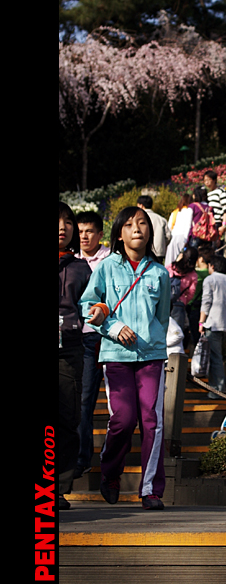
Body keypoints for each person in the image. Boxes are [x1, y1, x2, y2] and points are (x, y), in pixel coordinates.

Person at [78, 206, 171, 510]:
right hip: (116, 355)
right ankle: (110, 472)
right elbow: (88, 306)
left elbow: (163, 317)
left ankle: (151, 490)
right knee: (123, 419)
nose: (137, 229)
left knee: (151, 421)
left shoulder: (160, 273)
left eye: (142, 223)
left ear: (150, 232)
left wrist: (155, 343)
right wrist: (114, 328)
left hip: (151, 358)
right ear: (119, 234)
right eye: (129, 224)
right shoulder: (106, 267)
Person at [59, 202, 92, 509]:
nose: (63, 227)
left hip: (69, 349)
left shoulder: (81, 268)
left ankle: (58, 488)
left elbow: (94, 303)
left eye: (68, 222)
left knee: (68, 418)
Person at [74, 210, 110, 480]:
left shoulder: (111, 260)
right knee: (81, 400)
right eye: (80, 231)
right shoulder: (69, 260)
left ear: (100, 234)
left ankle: (109, 462)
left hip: (107, 337)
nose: (84, 236)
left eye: (89, 231)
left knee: (114, 404)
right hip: (79, 338)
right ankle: (79, 458)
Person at [199, 255, 226, 396]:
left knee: (215, 357)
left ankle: (217, 390)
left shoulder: (210, 279)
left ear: (212, 266)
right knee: (221, 356)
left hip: (213, 322)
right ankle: (218, 387)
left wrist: (201, 322)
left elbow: (206, 302)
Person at [166, 246, 198, 339]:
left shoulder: (171, 267)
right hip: (179, 305)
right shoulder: (193, 275)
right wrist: (184, 301)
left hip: (165, 302)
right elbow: (191, 293)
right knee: (176, 334)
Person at [187, 246, 215, 349]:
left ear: (201, 259)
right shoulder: (211, 274)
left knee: (196, 340)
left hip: (194, 309)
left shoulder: (195, 274)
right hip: (208, 311)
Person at [137, 195, 172, 263]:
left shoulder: (139, 219)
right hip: (159, 252)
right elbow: (168, 236)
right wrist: (162, 244)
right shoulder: (161, 219)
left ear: (141, 205)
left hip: (143, 251)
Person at [203, 170, 226, 246]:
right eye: (205, 181)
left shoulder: (221, 192)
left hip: (217, 224)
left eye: (208, 180)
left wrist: (224, 225)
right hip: (209, 224)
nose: (207, 182)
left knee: (216, 247)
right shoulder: (208, 194)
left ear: (214, 180)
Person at [165, 193, 193, 266]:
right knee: (180, 259)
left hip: (172, 236)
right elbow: (188, 226)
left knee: (170, 259)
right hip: (182, 237)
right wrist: (186, 240)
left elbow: (169, 226)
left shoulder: (175, 212)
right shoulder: (189, 210)